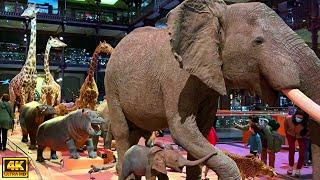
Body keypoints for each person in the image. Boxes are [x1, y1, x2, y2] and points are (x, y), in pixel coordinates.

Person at [284, 108, 308, 177]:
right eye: (298, 117)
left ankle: (298, 169)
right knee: (291, 151)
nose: (299, 119)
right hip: (290, 134)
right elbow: (285, 127)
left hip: (301, 136)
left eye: (301, 118)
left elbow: (308, 131)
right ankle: (290, 167)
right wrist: (287, 133)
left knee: (302, 152)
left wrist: (305, 134)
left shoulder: (306, 122)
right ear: (295, 115)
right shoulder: (288, 119)